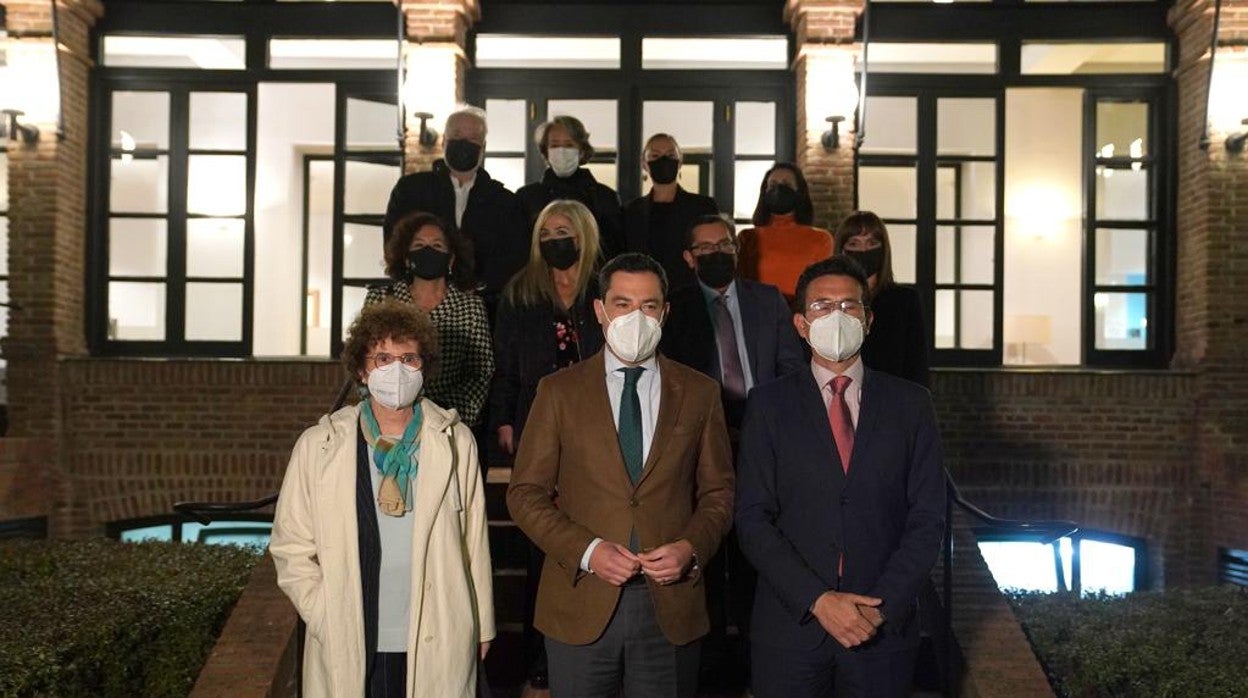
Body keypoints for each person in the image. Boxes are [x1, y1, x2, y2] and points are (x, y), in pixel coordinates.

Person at [506, 252, 735, 698]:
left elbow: (719, 493)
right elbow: (525, 494)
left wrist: (691, 547)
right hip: (580, 602)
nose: (636, 316)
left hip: (670, 606)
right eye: (623, 304)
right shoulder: (558, 392)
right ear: (600, 310)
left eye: (649, 306)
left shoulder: (700, 392)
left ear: (665, 313)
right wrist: (588, 550)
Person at [734, 257, 946, 698]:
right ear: (799, 323)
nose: (837, 316)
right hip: (791, 630)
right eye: (822, 306)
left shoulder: (911, 405)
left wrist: (880, 607)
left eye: (849, 307)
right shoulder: (768, 405)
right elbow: (753, 519)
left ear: (868, 321)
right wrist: (818, 600)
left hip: (881, 631)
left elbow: (928, 519)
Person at [270, 300, 495, 698]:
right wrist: (324, 612)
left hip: (437, 631)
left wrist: (480, 624)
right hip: (353, 634)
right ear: (361, 368)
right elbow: (291, 547)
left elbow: (472, 542)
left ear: (424, 366)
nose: (396, 370)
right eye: (383, 357)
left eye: (408, 358)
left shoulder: (455, 441)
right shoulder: (319, 445)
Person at [659, 212, 806, 687]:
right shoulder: (676, 307)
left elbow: (789, 367)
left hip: (762, 437)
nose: (716, 253)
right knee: (708, 546)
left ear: (736, 249)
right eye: (704, 248)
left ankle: (753, 655)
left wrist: (769, 423)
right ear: (688, 258)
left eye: (724, 244)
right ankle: (712, 662)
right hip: (702, 440)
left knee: (756, 549)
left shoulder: (768, 302)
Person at [487, 199, 605, 691]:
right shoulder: (520, 294)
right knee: (544, 543)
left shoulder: (606, 287)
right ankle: (542, 654)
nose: (555, 238)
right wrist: (504, 423)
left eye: (564, 230)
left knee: (596, 530)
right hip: (537, 426)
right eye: (547, 231)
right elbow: (506, 369)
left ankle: (595, 648)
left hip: (596, 427)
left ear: (584, 234)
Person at [383, 106, 528, 309]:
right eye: (457, 135)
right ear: (444, 141)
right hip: (417, 302)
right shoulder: (411, 190)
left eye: (473, 138)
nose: (464, 143)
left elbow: (513, 259)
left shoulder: (505, 202)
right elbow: (394, 242)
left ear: (483, 147)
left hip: (484, 308)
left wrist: (476, 290)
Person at [366, 212, 494, 430]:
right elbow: (365, 361)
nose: (428, 251)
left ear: (451, 258)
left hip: (450, 423)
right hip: (388, 422)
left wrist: (446, 417)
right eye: (419, 245)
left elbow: (480, 372)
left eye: (437, 245)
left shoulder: (470, 306)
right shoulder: (380, 300)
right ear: (406, 257)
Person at [833, 211, 929, 387]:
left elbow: (917, 365)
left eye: (871, 243)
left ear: (883, 249)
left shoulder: (905, 300)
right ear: (842, 250)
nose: (863, 250)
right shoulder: (832, 301)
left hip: (893, 401)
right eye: (854, 243)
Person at [517, 115, 625, 258]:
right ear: (546, 151)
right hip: (539, 277)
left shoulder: (604, 196)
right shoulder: (526, 196)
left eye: (569, 145)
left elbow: (614, 250)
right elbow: (519, 249)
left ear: (581, 151)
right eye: (554, 145)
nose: (561, 151)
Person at [623, 133, 719, 292]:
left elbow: (711, 253)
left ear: (680, 161)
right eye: (655, 155)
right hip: (643, 295)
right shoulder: (631, 210)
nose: (663, 160)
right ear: (644, 164)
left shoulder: (702, 206)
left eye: (670, 155)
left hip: (691, 293)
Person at [736, 163, 835, 304]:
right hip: (758, 316)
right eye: (773, 184)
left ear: (799, 192)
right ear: (764, 192)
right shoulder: (747, 237)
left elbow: (823, 288)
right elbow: (741, 286)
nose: (779, 189)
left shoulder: (821, 239)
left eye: (786, 184)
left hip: (802, 319)